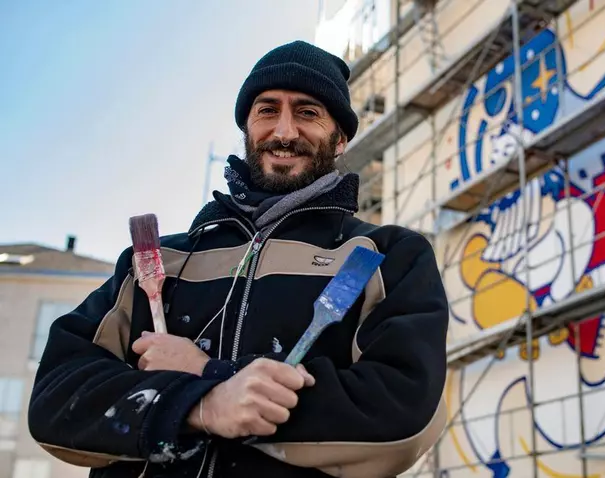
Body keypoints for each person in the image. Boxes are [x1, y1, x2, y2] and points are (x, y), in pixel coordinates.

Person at [28, 40, 449, 478]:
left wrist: (212, 372)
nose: (284, 132)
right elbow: (56, 400)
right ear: (247, 127)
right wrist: (201, 406)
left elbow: (402, 411)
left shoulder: (387, 256)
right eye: (267, 110)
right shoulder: (158, 260)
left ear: (340, 140)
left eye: (307, 113)